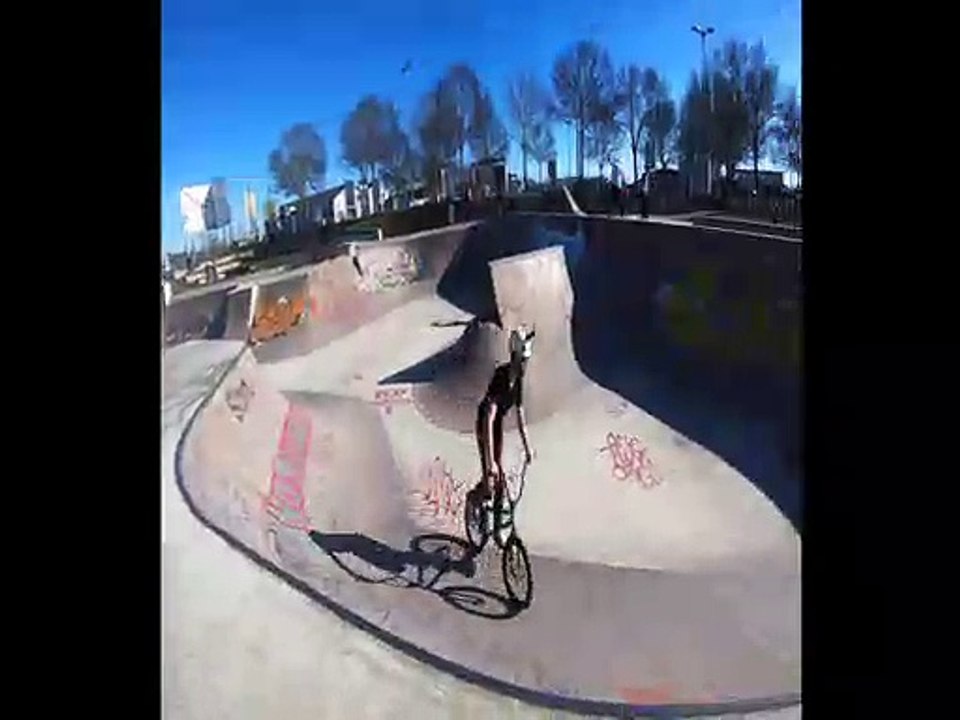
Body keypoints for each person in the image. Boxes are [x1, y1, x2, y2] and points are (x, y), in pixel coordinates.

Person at [475, 326, 535, 532]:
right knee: (491, 478)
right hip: (485, 423)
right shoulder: (500, 376)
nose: (525, 365)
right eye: (522, 360)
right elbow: (489, 418)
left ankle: (497, 525)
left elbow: (520, 415)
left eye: (526, 361)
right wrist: (490, 461)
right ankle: (476, 502)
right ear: (514, 357)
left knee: (501, 479)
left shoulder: (519, 381)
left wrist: (527, 448)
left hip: (497, 424)